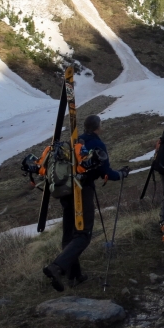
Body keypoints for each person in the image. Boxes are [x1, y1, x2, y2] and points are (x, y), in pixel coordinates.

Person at [42, 114, 129, 291]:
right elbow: (107, 171)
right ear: (98, 127)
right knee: (83, 234)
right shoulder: (97, 144)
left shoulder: (75, 142)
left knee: (69, 234)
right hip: (82, 190)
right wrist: (121, 174)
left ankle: (75, 276)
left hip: (65, 191)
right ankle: (57, 267)